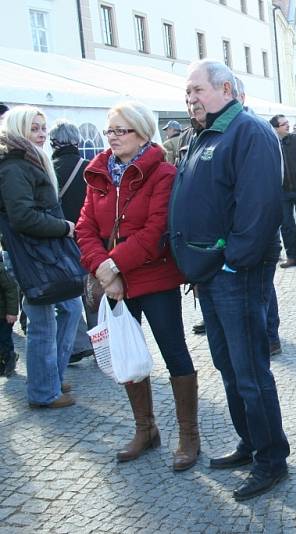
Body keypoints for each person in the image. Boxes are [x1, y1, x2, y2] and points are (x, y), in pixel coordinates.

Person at [169, 59, 289, 501]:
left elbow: (259, 208)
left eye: (197, 90)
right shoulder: (200, 135)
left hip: (235, 275)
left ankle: (271, 458)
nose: (191, 98)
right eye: (187, 92)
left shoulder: (248, 131)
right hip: (210, 274)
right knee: (227, 366)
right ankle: (251, 442)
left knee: (250, 370)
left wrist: (231, 262)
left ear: (225, 88)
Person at [75, 101, 199, 471]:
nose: (112, 137)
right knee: (126, 354)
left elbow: (156, 231)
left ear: (143, 132)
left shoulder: (162, 172)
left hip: (154, 279)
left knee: (174, 353)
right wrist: (103, 271)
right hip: (114, 284)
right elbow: (84, 228)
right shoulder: (98, 173)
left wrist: (113, 265)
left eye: (120, 130)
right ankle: (145, 429)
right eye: (109, 130)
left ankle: (188, 435)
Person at [0, 105, 83, 409]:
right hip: (32, 254)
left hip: (42, 252)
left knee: (69, 311)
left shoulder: (27, 160)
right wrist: (64, 228)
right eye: (34, 128)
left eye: (43, 127)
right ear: (19, 130)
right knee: (43, 324)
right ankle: (43, 391)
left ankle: (51, 379)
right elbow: (22, 217)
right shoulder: (13, 165)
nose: (41, 133)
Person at [234, 77, 282, 356]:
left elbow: (266, 189)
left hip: (259, 232)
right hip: (241, 233)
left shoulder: (257, 130)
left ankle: (270, 335)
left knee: (263, 289)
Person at [49, 119, 94, 363]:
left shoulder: (48, 169)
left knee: (68, 296)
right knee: (92, 295)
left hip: (59, 238)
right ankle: (101, 345)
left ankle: (77, 345)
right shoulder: (88, 168)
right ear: (76, 141)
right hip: (88, 239)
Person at [269, 114, 296, 269]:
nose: (288, 126)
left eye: (287, 123)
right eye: (284, 124)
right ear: (276, 128)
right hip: (282, 191)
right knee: (287, 225)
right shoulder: (270, 143)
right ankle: (292, 256)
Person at [0, 265, 19, 377]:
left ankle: (9, 359)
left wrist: (12, 312)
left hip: (3, 316)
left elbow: (11, 289)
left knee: (4, 340)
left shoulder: (1, 270)